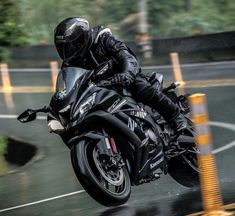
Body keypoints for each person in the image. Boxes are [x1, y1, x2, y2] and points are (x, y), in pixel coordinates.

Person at [53, 17, 187, 133]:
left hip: (122, 80)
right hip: (99, 92)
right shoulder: (69, 64)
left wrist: (126, 74)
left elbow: (126, 57)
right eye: (63, 47)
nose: (67, 51)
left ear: (81, 40)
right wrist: (54, 110)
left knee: (139, 85)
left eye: (70, 46)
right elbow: (65, 90)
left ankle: (175, 116)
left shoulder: (101, 38)